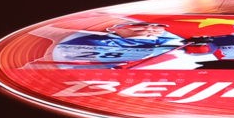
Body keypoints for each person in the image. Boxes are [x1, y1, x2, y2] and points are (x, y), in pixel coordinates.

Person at [42, 21, 187, 69]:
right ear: (113, 28)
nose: (149, 28)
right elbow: (39, 31)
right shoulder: (79, 36)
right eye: (140, 25)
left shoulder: (171, 44)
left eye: (157, 26)